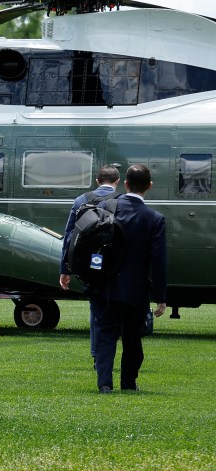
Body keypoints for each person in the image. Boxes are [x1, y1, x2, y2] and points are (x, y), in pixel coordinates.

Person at [87, 164, 167, 393]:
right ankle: (128, 382)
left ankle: (104, 383)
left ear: (125, 184)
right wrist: (160, 296)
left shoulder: (105, 207)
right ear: (149, 186)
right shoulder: (155, 219)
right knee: (132, 337)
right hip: (136, 289)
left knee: (104, 335)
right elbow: (158, 261)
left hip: (103, 285)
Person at [59, 164, 121, 361]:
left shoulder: (81, 200)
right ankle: (110, 353)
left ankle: (97, 353)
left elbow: (69, 236)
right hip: (115, 265)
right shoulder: (121, 201)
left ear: (97, 181)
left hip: (88, 264)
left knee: (96, 309)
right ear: (117, 181)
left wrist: (65, 269)